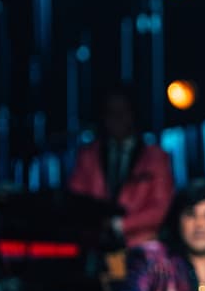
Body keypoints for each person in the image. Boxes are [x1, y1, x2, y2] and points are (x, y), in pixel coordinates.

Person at [68, 85, 175, 248]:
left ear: (133, 115)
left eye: (123, 112)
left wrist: (119, 224)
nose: (117, 118)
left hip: (142, 248)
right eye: (111, 112)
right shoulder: (88, 156)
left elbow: (161, 207)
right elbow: (75, 199)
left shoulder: (155, 157)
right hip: (94, 247)